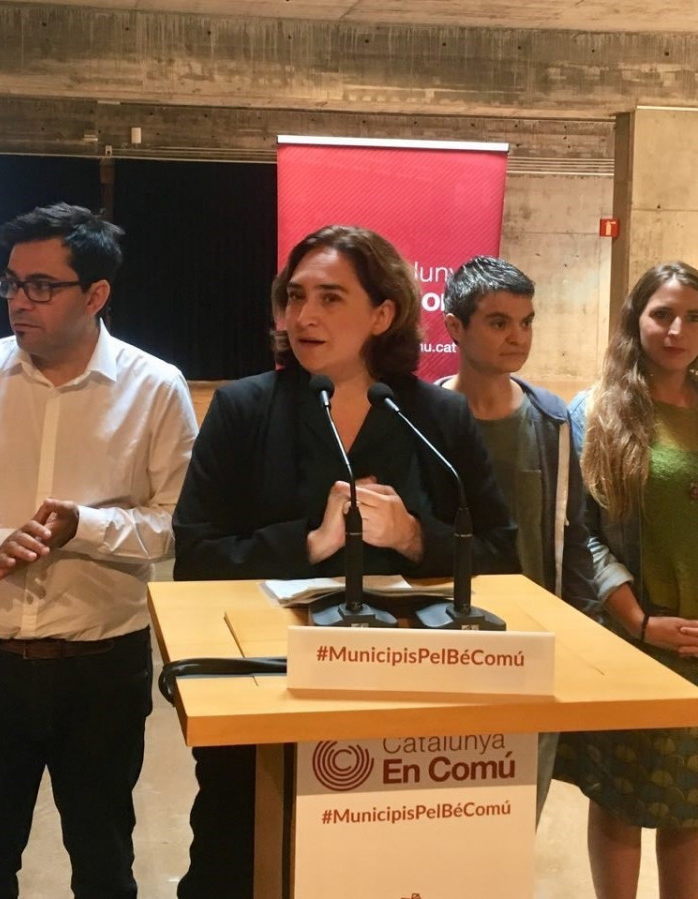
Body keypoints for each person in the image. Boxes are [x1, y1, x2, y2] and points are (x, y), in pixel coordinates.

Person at [172, 225, 519, 898]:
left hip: (403, 708)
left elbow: (504, 557)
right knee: (234, 867)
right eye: (295, 296)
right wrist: (308, 544)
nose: (304, 316)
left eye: (331, 298)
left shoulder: (437, 417)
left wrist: (416, 538)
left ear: (382, 314)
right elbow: (195, 557)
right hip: (266, 694)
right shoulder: (243, 409)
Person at [0, 202, 198, 899]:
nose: (19, 301)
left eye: (41, 286)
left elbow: (177, 524)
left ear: (95, 295)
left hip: (102, 670)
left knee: (104, 865)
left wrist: (85, 526)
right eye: (11, 283)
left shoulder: (155, 387)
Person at [558, 261, 698, 899]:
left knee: (695, 798)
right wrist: (638, 621)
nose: (677, 330)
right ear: (636, 320)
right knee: (621, 794)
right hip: (633, 640)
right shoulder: (596, 413)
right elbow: (582, 531)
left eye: (694, 317)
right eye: (662, 314)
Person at [438, 255, 597, 822]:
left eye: (526, 322)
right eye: (499, 322)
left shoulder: (552, 421)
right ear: (455, 328)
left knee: (514, 814)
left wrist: (578, 630)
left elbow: (575, 532)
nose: (518, 337)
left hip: (530, 645)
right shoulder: (420, 417)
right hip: (442, 644)